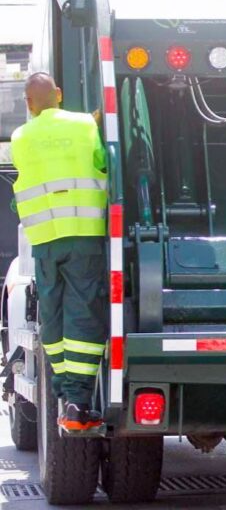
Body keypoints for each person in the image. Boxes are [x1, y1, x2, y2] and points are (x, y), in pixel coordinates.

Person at [12, 72, 108, 431]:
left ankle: (61, 391)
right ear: (60, 94)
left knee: (51, 311)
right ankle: (78, 399)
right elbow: (101, 162)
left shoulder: (21, 137)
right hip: (84, 235)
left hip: (45, 240)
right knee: (82, 311)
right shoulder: (85, 125)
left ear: (28, 103)